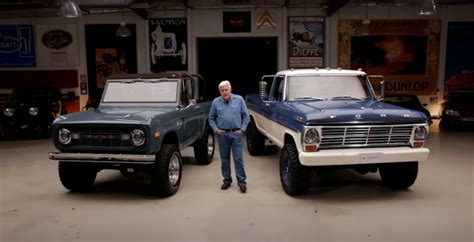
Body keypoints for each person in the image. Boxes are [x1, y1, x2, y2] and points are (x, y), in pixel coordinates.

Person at [208, 80, 250, 193]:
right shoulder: (216, 102)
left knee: (238, 159)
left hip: (237, 134)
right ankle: (227, 180)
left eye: (226, 90)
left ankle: (242, 182)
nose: (225, 92)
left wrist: (242, 129)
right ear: (220, 92)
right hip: (223, 135)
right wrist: (216, 130)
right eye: (222, 90)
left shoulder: (239, 100)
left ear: (230, 89)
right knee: (225, 159)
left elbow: (246, 116)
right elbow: (211, 118)